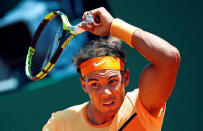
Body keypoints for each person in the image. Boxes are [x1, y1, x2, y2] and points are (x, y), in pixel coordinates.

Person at [42, 7, 180, 131]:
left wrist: (113, 25)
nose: (106, 92)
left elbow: (169, 58)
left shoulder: (140, 107)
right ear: (84, 85)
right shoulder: (59, 124)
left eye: (112, 81)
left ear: (125, 78)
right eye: (95, 84)